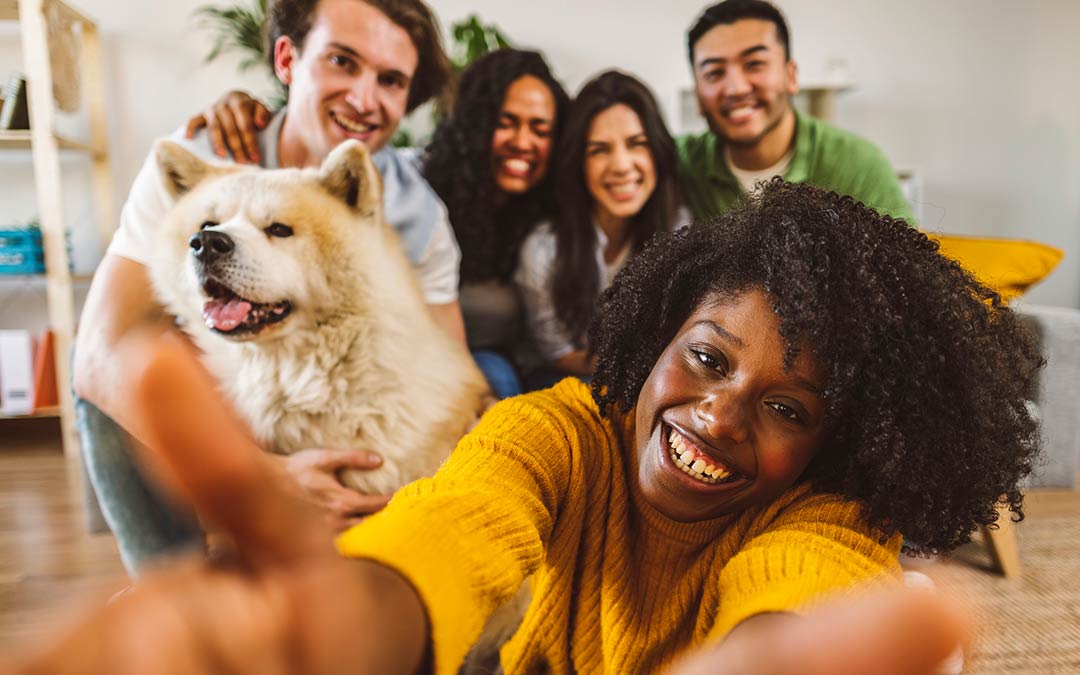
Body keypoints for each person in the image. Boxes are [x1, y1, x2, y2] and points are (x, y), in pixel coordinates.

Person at [19, 180, 1039, 674]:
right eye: (708, 358)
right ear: (654, 339)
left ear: (831, 441)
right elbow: (457, 522)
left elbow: (797, 605)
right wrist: (350, 617)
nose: (720, 413)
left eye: (786, 408)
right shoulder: (562, 434)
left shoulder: (826, 516)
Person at [73, 0, 458, 573]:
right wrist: (267, 477)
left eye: (390, 80)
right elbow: (96, 355)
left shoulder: (416, 213)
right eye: (342, 61)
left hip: (343, 401)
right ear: (287, 57)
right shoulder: (202, 158)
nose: (363, 97)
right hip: (222, 391)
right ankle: (171, 584)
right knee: (117, 384)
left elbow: (450, 369)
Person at [192, 48, 572, 397]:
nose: (524, 141)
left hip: (485, 363)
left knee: (498, 376)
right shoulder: (404, 183)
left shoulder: (552, 216)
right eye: (506, 123)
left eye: (540, 129)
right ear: (475, 124)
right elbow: (298, 189)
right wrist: (238, 108)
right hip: (390, 353)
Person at [515, 70, 682, 387]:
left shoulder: (681, 231)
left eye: (637, 144)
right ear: (578, 162)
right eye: (599, 150)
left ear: (658, 152)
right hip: (562, 379)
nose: (621, 165)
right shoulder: (543, 249)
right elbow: (556, 351)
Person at [679, 0, 915, 222]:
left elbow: (910, 262)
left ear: (791, 76)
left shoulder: (858, 165)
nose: (736, 88)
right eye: (714, 73)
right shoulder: (680, 161)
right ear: (698, 94)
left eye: (754, 64)